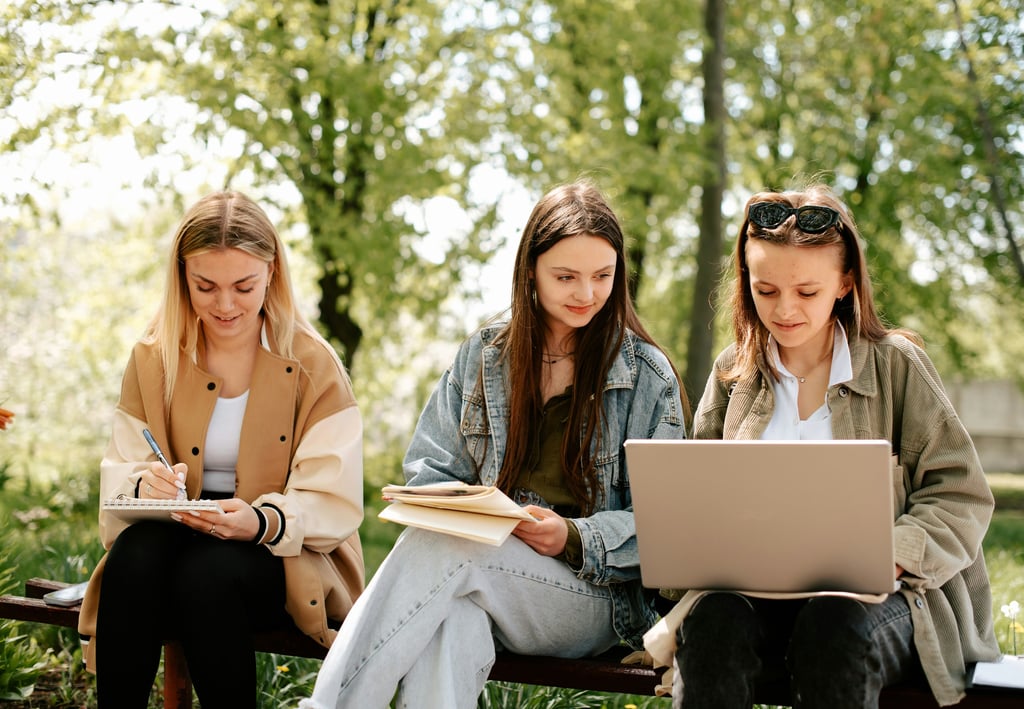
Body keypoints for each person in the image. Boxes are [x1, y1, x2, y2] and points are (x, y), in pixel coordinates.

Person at [300, 180, 687, 709]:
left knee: (451, 549)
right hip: (482, 577)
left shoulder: (647, 376)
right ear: (530, 269)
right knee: (452, 620)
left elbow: (667, 526)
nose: (586, 294)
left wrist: (572, 535)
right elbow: (431, 470)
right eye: (566, 277)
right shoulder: (484, 357)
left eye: (602, 276)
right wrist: (469, 509)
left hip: (596, 602)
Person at [643, 184, 999, 708]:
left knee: (833, 626)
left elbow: (959, 495)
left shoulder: (895, 364)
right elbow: (699, 500)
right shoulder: (732, 373)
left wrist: (891, 557)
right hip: (754, 601)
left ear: (845, 282)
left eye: (807, 292)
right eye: (766, 291)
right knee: (714, 620)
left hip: (877, 606)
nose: (785, 310)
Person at [77, 191, 365, 708]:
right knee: (133, 557)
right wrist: (145, 484)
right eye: (205, 286)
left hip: (277, 553)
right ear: (181, 277)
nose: (225, 305)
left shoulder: (313, 363)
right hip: (174, 542)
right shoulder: (153, 355)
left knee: (207, 573)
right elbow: (122, 466)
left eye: (243, 286)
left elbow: (334, 497)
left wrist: (257, 522)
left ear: (271, 273)